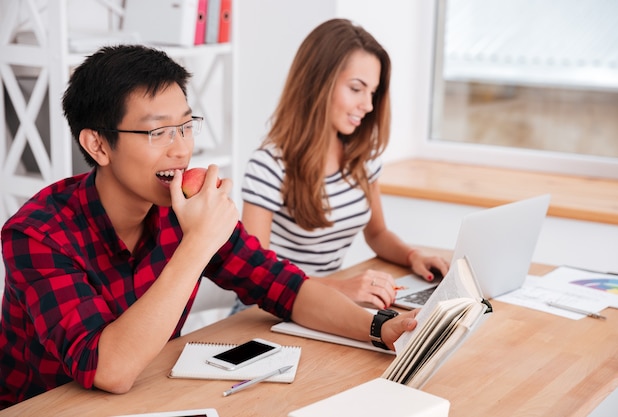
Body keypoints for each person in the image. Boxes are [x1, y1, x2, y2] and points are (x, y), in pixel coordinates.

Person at [0, 44, 418, 408]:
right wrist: (199, 243)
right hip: (44, 408)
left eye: (185, 126)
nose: (182, 150)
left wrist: (380, 328)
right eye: (158, 132)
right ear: (97, 145)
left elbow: (283, 287)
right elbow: (108, 369)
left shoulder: (185, 206)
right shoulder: (36, 234)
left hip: (145, 397)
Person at [236, 19, 449, 313]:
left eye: (372, 93)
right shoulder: (269, 166)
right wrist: (341, 289)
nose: (368, 105)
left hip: (325, 306)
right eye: (356, 88)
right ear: (317, 82)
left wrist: (412, 255)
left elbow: (377, 234)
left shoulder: (362, 158)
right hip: (267, 311)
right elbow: (254, 275)